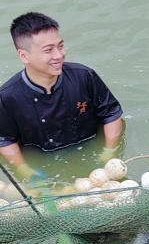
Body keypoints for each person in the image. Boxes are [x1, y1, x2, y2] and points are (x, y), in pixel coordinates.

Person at [0, 12, 123, 182]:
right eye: (48, 50)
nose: (59, 55)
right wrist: (23, 169)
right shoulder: (8, 96)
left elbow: (111, 114)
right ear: (24, 56)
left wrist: (110, 151)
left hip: (92, 154)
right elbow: (5, 139)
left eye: (60, 46)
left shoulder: (83, 76)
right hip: (45, 168)